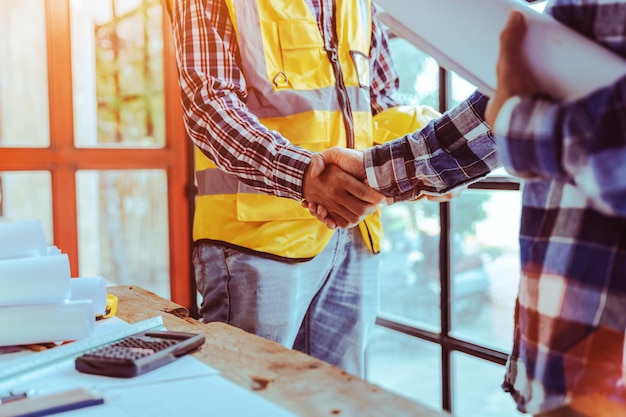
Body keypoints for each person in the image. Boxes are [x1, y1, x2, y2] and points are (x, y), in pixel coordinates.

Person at [308, 1, 626, 415]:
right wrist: (372, 172)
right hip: (571, 354)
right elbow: (501, 108)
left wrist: (517, 118)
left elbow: (517, 113)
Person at [169, 0, 418, 377]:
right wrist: (307, 176)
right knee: (250, 399)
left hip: (355, 235)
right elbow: (210, 107)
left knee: (337, 399)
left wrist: (423, 162)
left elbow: (381, 104)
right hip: (259, 242)